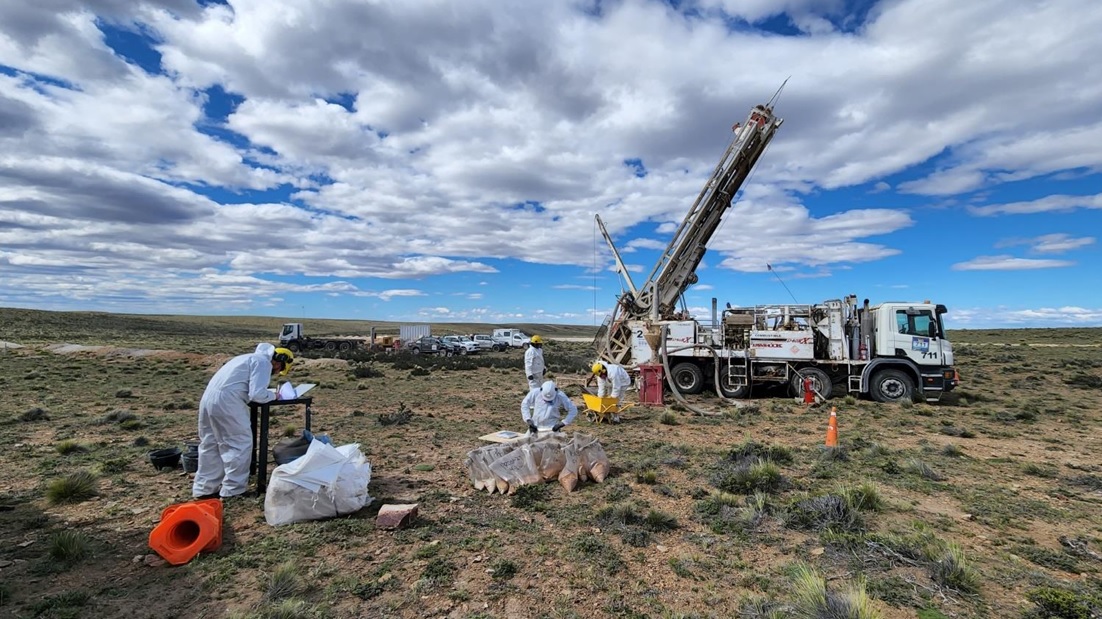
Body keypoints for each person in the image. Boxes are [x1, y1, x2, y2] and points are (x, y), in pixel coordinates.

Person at [192, 343, 294, 500]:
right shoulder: (262, 363)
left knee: (210, 444)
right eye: (279, 369)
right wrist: (275, 396)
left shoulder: (246, 358)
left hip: (208, 400)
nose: (276, 372)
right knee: (239, 444)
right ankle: (233, 491)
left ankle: (204, 489)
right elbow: (257, 395)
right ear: (279, 361)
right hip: (228, 403)